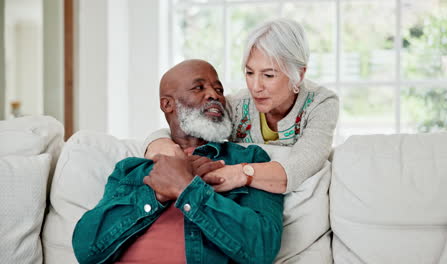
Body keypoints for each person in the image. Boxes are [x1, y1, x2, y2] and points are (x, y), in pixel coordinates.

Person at [72, 59, 284, 264]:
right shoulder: (130, 170)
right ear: (167, 104)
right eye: (198, 88)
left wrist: (186, 188)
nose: (214, 96)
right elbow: (86, 249)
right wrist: (157, 193)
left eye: (218, 90)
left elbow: (262, 249)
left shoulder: (246, 159)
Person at [145, 18, 339, 195]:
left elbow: (301, 165)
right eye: (249, 72)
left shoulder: (321, 103)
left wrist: (241, 173)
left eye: (268, 75)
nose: (255, 87)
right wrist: (158, 143)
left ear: (299, 74)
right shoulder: (238, 105)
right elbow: (187, 124)